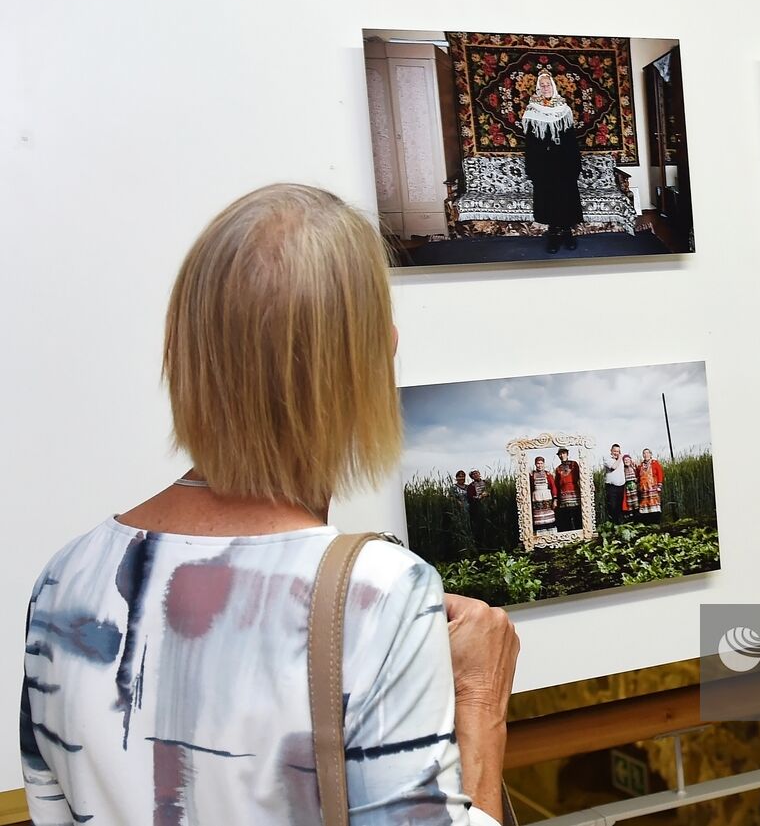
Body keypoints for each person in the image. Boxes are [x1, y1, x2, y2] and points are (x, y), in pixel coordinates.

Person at [19, 184, 519, 825]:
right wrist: (480, 702)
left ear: (190, 350)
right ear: (364, 358)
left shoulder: (69, 575)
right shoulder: (379, 594)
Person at [522, 70, 583, 254]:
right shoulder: (532, 110)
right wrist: (532, 167)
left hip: (563, 162)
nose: (545, 88)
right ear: (538, 88)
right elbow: (530, 142)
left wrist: (575, 163)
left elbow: (570, 139)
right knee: (548, 198)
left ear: (553, 86)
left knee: (566, 197)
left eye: (548, 84)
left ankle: (567, 233)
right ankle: (553, 235)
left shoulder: (564, 109)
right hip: (543, 163)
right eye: (542, 85)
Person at [553, 448, 584, 531]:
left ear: (567, 454)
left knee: (578, 516)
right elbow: (556, 484)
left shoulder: (574, 464)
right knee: (566, 518)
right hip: (564, 497)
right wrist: (555, 498)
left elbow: (582, 476)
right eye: (560, 454)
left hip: (575, 494)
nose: (562, 455)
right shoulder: (558, 469)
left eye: (563, 453)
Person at [528, 455, 558, 534]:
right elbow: (530, 488)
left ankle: (551, 536)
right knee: (539, 518)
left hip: (547, 497)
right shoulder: (532, 475)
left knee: (549, 517)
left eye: (541, 463)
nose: (540, 465)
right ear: (535, 464)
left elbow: (553, 487)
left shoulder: (548, 475)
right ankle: (540, 537)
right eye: (538, 463)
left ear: (544, 464)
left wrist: (555, 499)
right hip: (537, 498)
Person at [635, 448, 665, 525]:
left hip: (653, 488)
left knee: (654, 505)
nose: (645, 455)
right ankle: (647, 524)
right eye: (644, 453)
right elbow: (638, 475)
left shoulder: (655, 463)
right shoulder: (641, 465)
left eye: (647, 453)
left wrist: (659, 485)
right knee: (645, 506)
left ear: (650, 454)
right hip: (644, 489)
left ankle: (656, 523)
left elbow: (660, 474)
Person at [602, 443, 626, 523]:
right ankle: (613, 524)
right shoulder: (607, 458)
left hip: (621, 486)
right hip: (611, 487)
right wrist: (620, 458)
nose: (616, 453)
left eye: (618, 451)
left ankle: (620, 524)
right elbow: (613, 467)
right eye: (615, 451)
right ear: (611, 451)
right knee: (612, 507)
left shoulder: (621, 460)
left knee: (620, 507)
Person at [465, 469, 489, 547]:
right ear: (472, 477)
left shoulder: (486, 482)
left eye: (476, 473)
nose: (475, 475)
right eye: (473, 474)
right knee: (479, 525)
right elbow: (470, 497)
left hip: (488, 505)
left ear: (479, 473)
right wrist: (480, 497)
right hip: (477, 508)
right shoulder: (471, 486)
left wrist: (488, 494)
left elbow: (492, 491)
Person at [621, 454, 640, 520]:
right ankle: (631, 516)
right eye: (625, 460)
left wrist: (637, 479)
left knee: (636, 501)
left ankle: (637, 516)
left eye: (628, 459)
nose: (626, 461)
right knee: (629, 502)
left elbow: (639, 473)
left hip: (634, 486)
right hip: (627, 487)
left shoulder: (634, 467)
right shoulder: (623, 469)